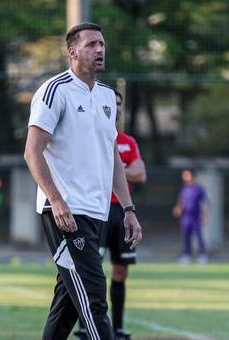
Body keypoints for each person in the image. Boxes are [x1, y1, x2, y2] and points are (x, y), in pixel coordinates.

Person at [23, 22, 142, 340]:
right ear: (72, 51)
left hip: (98, 212)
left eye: (102, 44)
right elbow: (32, 152)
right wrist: (57, 200)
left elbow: (112, 156)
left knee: (67, 306)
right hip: (65, 213)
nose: (99, 49)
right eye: (91, 44)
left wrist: (128, 209)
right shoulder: (54, 91)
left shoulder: (106, 97)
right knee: (93, 296)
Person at [76, 89, 147, 340]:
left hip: (121, 211)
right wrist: (120, 165)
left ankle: (116, 328)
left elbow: (140, 174)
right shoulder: (91, 136)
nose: (115, 108)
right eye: (111, 103)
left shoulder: (128, 141)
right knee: (91, 269)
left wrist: (113, 166)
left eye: (119, 104)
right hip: (96, 208)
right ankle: (87, 325)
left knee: (120, 270)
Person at [172, 168, 209, 264]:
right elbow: (181, 201)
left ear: (192, 175)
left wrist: (204, 215)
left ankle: (202, 255)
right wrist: (178, 208)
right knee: (186, 236)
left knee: (199, 236)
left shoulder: (199, 188)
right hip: (186, 217)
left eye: (186, 174)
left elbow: (205, 202)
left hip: (196, 217)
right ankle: (186, 255)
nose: (184, 176)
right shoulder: (184, 188)